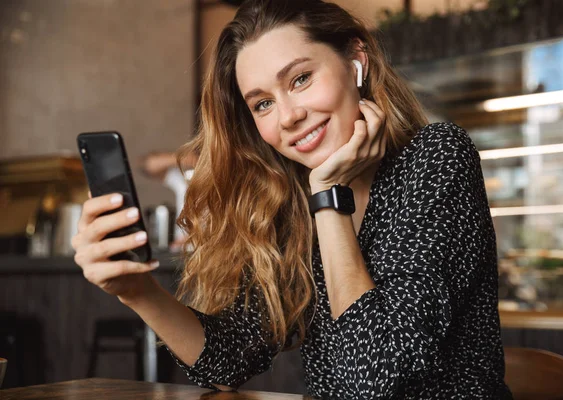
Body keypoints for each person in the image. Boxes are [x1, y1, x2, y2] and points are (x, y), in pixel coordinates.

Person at [72, 0, 513, 398]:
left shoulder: (436, 157)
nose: (288, 116)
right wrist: (136, 290)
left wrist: (328, 195)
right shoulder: (290, 198)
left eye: (300, 79)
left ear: (356, 60)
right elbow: (227, 361)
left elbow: (373, 375)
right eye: (262, 104)